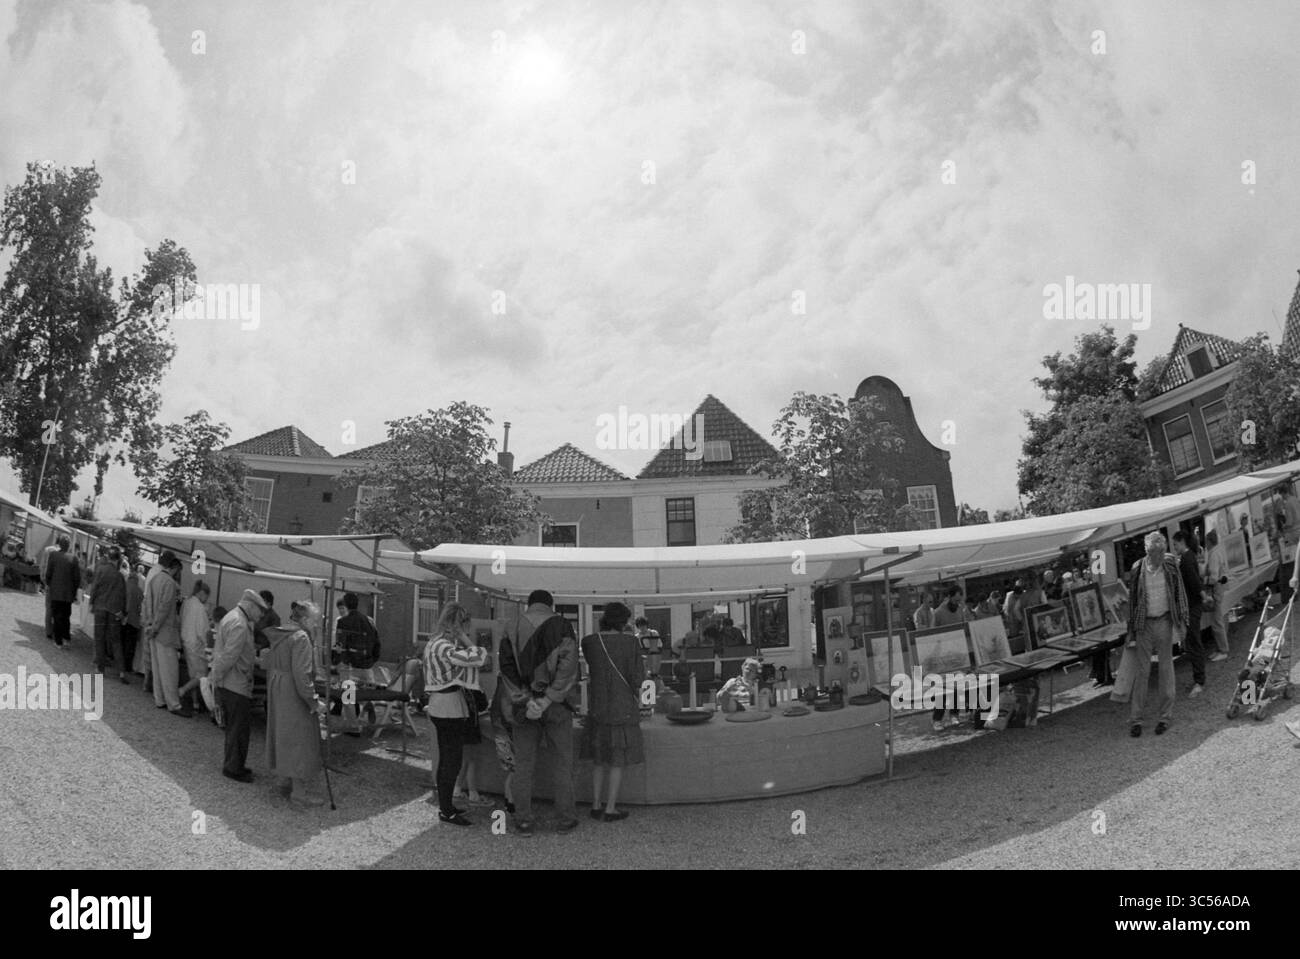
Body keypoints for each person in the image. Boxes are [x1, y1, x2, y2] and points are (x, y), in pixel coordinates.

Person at [498, 589, 581, 836]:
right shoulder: (563, 625)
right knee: (562, 763)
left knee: (523, 765)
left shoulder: (512, 625)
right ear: (550, 605)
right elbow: (569, 669)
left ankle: (523, 821)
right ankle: (565, 819)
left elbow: (506, 668)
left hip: (523, 707)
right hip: (557, 706)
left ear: (529, 604)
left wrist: (526, 701)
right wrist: (547, 700)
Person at [1113, 532, 1188, 737]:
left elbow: (1180, 593)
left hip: (1164, 620)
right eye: (1156, 552)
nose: (1160, 556)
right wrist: (1131, 631)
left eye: (1162, 551)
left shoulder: (1170, 564)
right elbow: (1133, 601)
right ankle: (1136, 719)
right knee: (1142, 671)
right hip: (1144, 624)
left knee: (1166, 668)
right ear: (1148, 552)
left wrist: (1183, 621)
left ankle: (1165, 717)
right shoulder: (1137, 568)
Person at [421, 602, 488, 826]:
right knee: (452, 761)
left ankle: (446, 805)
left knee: (446, 759)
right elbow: (480, 657)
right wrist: (464, 638)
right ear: (459, 624)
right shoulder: (444, 646)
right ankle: (446, 810)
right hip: (449, 706)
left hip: (440, 703)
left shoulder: (434, 643)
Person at [580, 602, 645, 822]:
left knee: (599, 759)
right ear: (624, 621)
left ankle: (595, 804)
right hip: (622, 707)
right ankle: (610, 808)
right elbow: (637, 678)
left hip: (597, 707)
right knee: (617, 759)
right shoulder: (631, 642)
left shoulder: (589, 642)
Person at [264, 600, 329, 807]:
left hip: (278, 687)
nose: (316, 625)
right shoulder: (301, 637)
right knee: (300, 739)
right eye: (315, 621)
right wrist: (314, 701)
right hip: (293, 691)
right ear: (306, 619)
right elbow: (302, 675)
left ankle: (283, 780)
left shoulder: (282, 633)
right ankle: (299, 793)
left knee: (283, 735)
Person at [211, 590, 268, 782]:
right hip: (235, 683)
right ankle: (233, 768)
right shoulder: (240, 624)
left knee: (235, 728)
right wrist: (217, 678)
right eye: (260, 610)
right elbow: (229, 656)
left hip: (230, 682)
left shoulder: (232, 617)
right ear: (250, 606)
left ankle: (234, 764)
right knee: (239, 729)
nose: (261, 615)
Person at [143, 553, 189, 717]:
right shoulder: (169, 583)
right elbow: (164, 607)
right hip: (165, 632)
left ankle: (159, 699)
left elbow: (148, 603)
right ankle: (173, 704)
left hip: (153, 632)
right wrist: (155, 627)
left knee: (157, 669)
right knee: (169, 671)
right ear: (175, 568)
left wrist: (150, 625)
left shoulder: (154, 579)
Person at [1171, 532, 1206, 698]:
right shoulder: (1189, 556)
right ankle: (1198, 678)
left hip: (1192, 606)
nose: (1174, 548)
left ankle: (1200, 681)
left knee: (1193, 642)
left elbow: (1194, 581)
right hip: (1192, 605)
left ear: (1182, 542)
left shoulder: (1186, 559)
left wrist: (1203, 595)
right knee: (1193, 642)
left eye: (1175, 544)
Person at [89, 545, 126, 672]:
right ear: (118, 559)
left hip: (100, 607)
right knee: (116, 641)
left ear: (108, 557)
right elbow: (122, 596)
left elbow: (94, 588)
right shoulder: (120, 576)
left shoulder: (101, 570)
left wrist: (91, 603)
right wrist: (122, 612)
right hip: (113, 610)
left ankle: (100, 668)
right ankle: (121, 671)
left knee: (99, 638)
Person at [178, 581, 212, 712]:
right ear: (202, 593)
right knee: (202, 675)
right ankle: (182, 690)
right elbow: (203, 631)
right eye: (207, 596)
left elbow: (181, 620)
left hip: (186, 641)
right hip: (196, 645)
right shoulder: (200, 608)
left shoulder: (186, 602)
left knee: (192, 674)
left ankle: (195, 703)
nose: (206, 599)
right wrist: (208, 644)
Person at [43, 535, 80, 649]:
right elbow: (77, 578)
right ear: (69, 546)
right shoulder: (74, 558)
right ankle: (66, 638)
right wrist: (74, 591)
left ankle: (58, 641)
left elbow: (48, 573)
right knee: (66, 616)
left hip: (55, 591)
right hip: (68, 594)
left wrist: (49, 584)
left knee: (57, 616)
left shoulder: (53, 555)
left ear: (59, 544)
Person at [335, 592, 380, 667]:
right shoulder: (368, 620)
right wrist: (373, 659)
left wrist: (337, 661)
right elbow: (376, 641)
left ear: (346, 605)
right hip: (367, 662)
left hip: (350, 664)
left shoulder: (342, 621)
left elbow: (340, 645)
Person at [1204, 530, 1230, 661]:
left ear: (1209, 541)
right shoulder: (1217, 552)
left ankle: (1223, 650)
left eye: (1206, 541)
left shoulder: (1213, 554)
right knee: (1217, 621)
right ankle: (1220, 648)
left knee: (1216, 622)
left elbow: (1213, 577)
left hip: (1215, 590)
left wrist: (1203, 581)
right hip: (1219, 589)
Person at [119, 563, 144, 685]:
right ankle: (128, 666)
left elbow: (123, 603)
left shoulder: (124, 587)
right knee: (131, 645)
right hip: (134, 621)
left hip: (124, 619)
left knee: (122, 642)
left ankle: (120, 663)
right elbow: (140, 608)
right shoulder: (139, 591)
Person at [39, 538, 60, 640]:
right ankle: (54, 629)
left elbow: (42, 565)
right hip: (57, 582)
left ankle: (48, 631)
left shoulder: (47, 549)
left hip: (48, 580)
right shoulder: (60, 552)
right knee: (56, 607)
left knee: (48, 607)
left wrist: (43, 578)